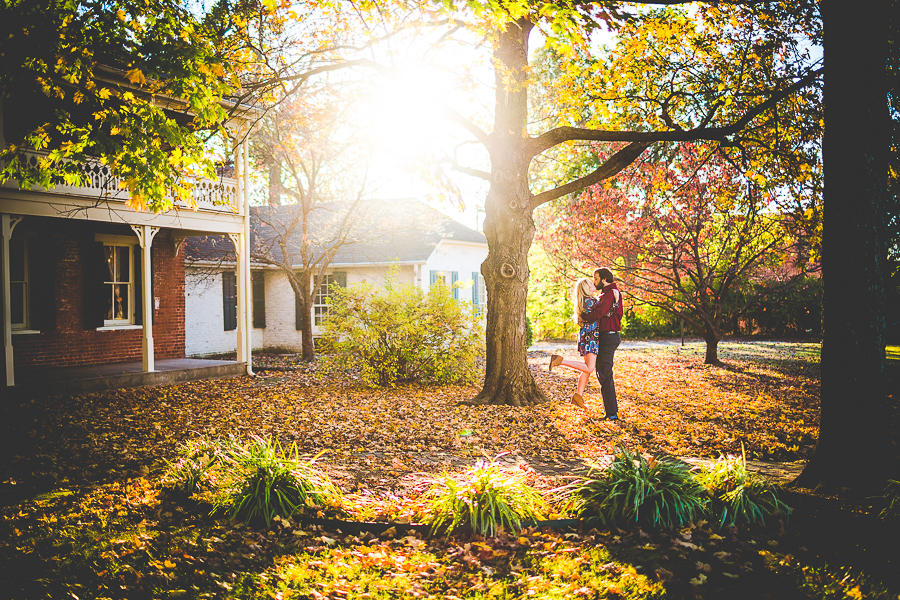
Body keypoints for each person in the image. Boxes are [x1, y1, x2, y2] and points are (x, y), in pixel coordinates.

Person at [548, 277, 600, 410]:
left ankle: (578, 396)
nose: (593, 283)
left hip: (587, 337)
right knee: (589, 368)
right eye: (590, 283)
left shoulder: (585, 302)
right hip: (591, 337)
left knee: (586, 369)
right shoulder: (591, 301)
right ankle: (560, 360)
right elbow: (602, 313)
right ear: (586, 289)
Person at [580, 267, 623, 420]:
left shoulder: (611, 293)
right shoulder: (607, 294)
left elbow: (598, 314)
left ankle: (611, 413)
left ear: (604, 279)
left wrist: (583, 316)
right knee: (602, 373)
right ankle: (610, 412)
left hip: (609, 336)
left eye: (596, 278)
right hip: (606, 336)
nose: (594, 281)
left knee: (604, 374)